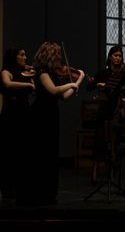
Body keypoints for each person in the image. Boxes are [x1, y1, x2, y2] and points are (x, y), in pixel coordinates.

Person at [17, 42, 85, 206]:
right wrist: (71, 83)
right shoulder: (42, 73)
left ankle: (48, 193)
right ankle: (37, 193)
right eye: (58, 55)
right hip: (40, 115)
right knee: (41, 153)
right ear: (50, 56)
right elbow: (54, 90)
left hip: (51, 114)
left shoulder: (53, 74)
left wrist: (80, 79)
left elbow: (64, 96)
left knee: (50, 153)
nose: (60, 58)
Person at [86, 45, 125, 183]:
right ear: (110, 57)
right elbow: (89, 86)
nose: (118, 58)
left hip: (118, 111)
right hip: (104, 110)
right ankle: (95, 173)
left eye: (120, 56)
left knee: (117, 140)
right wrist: (97, 85)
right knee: (100, 140)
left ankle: (116, 174)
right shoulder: (103, 73)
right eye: (115, 55)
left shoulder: (124, 74)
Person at [0, 48, 35, 201]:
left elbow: (34, 90)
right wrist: (27, 85)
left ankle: (22, 187)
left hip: (24, 113)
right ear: (13, 57)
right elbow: (7, 84)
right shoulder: (6, 71)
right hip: (11, 114)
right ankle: (8, 188)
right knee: (9, 150)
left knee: (23, 150)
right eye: (22, 55)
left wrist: (31, 76)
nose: (25, 57)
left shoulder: (25, 73)